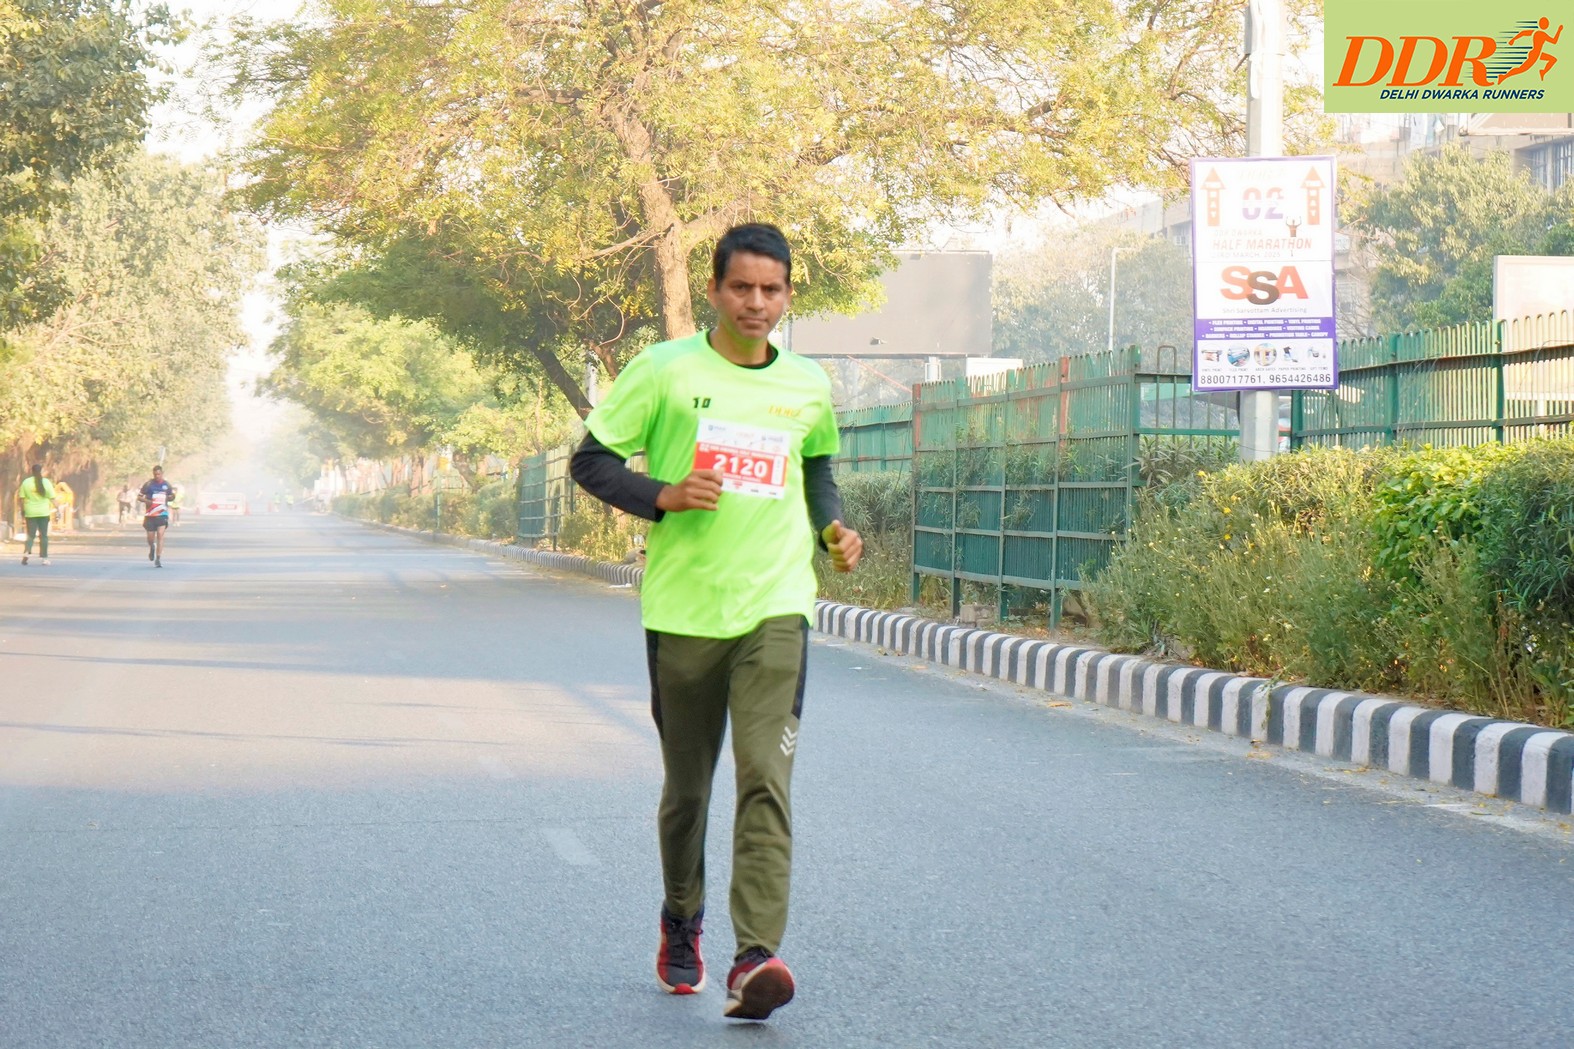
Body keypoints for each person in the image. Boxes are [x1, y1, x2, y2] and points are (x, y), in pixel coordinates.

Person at [570, 223, 862, 1022]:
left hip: (777, 604)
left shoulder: (806, 383)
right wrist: (662, 494)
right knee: (688, 791)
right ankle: (680, 916)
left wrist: (832, 529)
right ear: (714, 290)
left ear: (788, 295)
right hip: (685, 610)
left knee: (765, 775)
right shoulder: (665, 369)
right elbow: (591, 461)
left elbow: (817, 467)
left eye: (772, 289)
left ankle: (754, 955)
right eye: (742, 287)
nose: (756, 302)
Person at [16, 464, 59, 566]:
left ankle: (27, 552)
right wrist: (58, 509)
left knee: (31, 535)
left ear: (31, 471)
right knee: (43, 536)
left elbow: (21, 499)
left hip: (30, 512)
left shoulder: (26, 482)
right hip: (43, 513)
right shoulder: (46, 482)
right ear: (41, 471)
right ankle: (44, 558)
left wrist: (22, 510)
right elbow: (52, 498)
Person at [139, 464, 175, 567]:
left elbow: (171, 496)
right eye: (155, 474)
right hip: (150, 514)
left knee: (160, 535)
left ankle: (158, 558)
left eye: (159, 474)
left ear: (162, 473)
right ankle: (152, 547)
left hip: (162, 514)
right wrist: (147, 501)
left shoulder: (166, 485)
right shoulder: (148, 484)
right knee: (150, 538)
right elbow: (139, 497)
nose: (157, 476)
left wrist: (171, 497)